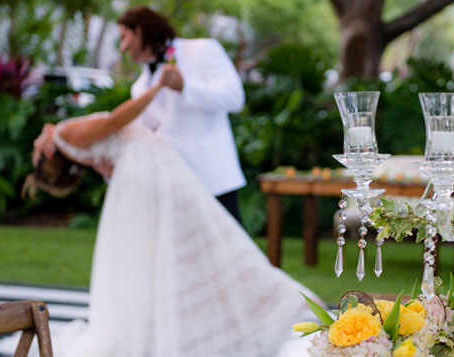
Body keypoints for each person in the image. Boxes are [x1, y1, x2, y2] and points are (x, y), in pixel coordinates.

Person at [26, 71, 311, 356]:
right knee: (205, 236)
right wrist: (156, 89)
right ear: (49, 153)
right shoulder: (63, 134)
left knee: (167, 253)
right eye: (36, 151)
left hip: (143, 164)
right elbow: (116, 120)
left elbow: (108, 148)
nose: (36, 142)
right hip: (150, 163)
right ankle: (273, 301)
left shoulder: (70, 145)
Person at [116, 6, 246, 222]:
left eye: (124, 37)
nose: (122, 47)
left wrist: (185, 87)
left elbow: (235, 98)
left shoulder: (204, 50)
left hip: (213, 181)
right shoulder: (139, 88)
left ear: (139, 31)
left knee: (229, 255)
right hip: (172, 186)